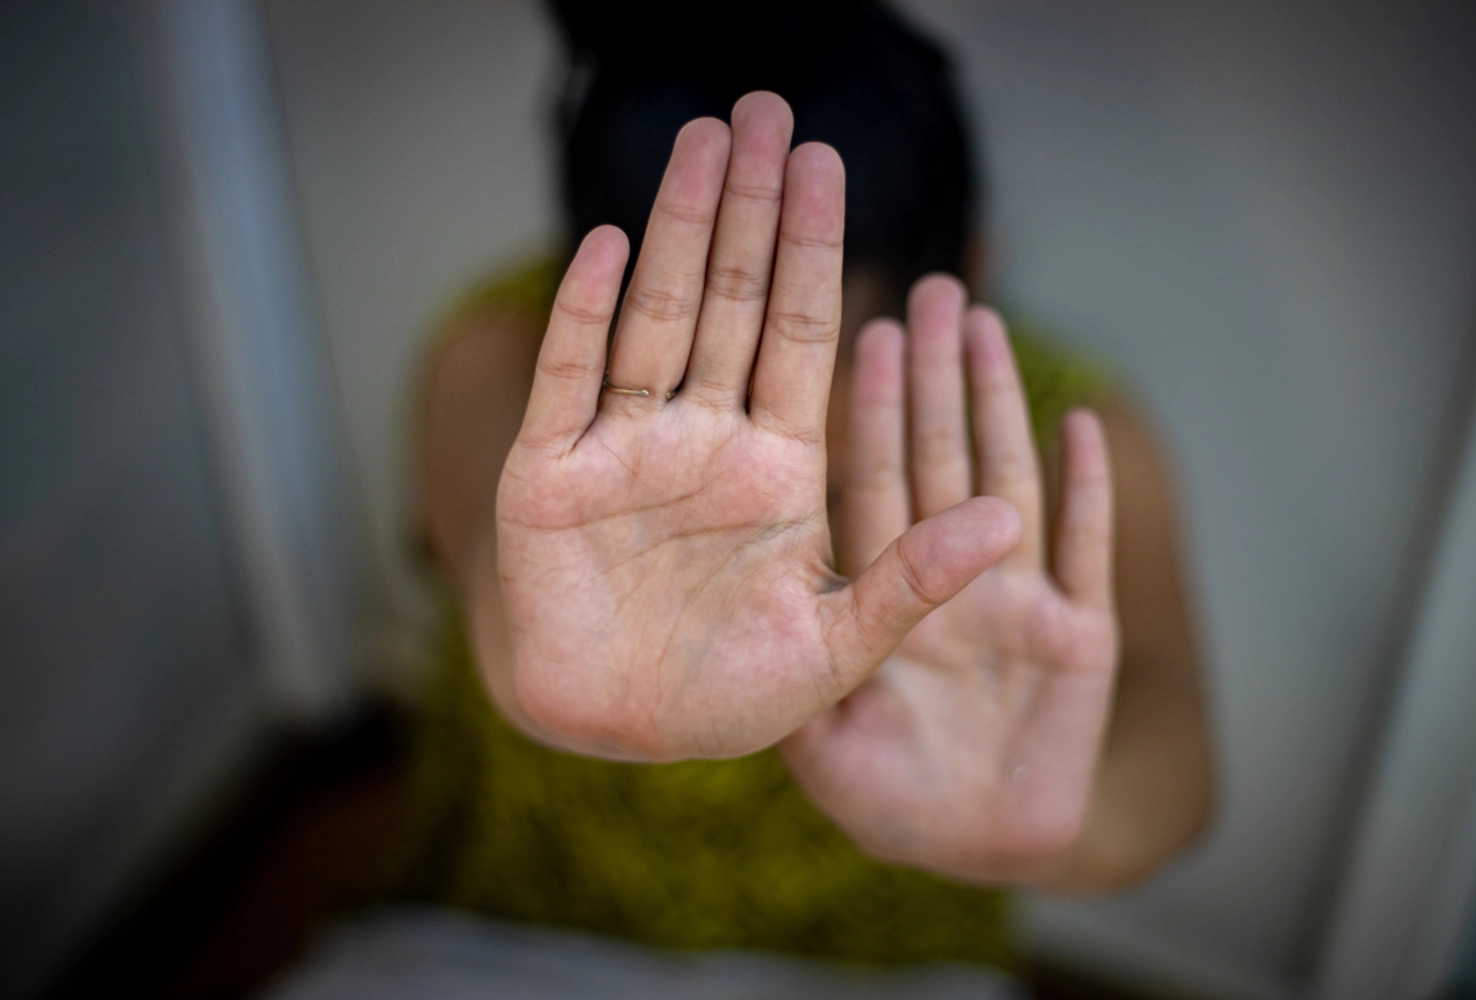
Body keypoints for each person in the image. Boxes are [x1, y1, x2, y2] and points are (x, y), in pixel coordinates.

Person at [391, 0, 1213, 983]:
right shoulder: (503, 360)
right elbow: (495, 580)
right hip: (519, 935)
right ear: (587, 285)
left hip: (879, 968)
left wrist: (1053, 820)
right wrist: (547, 653)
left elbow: (1176, 736)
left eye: (812, 358)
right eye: (692, 364)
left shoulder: (1062, 438)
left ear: (965, 279)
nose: (736, 431)